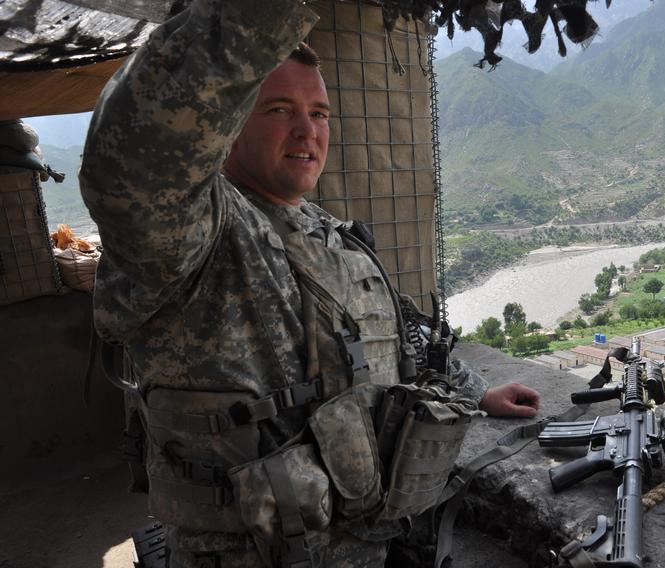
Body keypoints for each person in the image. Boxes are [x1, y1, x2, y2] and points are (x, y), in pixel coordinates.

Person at [79, 1, 540, 566]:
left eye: (319, 113)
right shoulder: (197, 236)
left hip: (365, 538)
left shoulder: (326, 231)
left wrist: (475, 391)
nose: (307, 131)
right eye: (278, 109)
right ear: (228, 124)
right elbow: (134, 155)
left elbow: (398, 337)